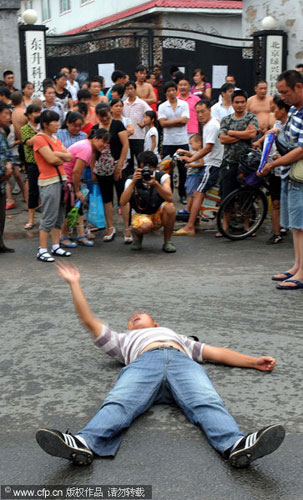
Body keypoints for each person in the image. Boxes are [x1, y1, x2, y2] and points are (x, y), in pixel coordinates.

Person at [36, 261, 285, 468]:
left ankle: (235, 445)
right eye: (130, 320)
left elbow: (216, 353)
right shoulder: (123, 340)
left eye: (140, 315)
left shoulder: (178, 338)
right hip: (143, 363)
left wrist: (254, 361)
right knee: (120, 402)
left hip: (181, 362)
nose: (134, 317)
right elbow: (89, 320)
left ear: (156, 324)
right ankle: (83, 443)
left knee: (207, 401)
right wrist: (75, 284)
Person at [259, 70, 303, 289]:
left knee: (302, 225)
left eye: (285, 92)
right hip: (293, 174)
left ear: (299, 87)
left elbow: (301, 149)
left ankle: (302, 273)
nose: (282, 97)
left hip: (299, 173)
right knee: (297, 225)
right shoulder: (295, 110)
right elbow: (287, 138)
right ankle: (297, 266)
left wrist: (274, 163)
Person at [173, 101, 223, 236]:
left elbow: (207, 148)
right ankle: (194, 221)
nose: (200, 115)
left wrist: (191, 159)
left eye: (203, 111)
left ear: (209, 110)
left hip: (212, 165)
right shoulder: (207, 125)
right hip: (210, 163)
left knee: (198, 193)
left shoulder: (212, 126)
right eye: (198, 112)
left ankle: (190, 226)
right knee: (197, 193)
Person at [60, 128, 111, 248]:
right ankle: (64, 236)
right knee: (70, 209)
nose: (104, 145)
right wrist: (77, 190)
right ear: (95, 138)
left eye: (106, 143)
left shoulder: (88, 147)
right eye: (102, 141)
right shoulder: (86, 148)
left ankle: (81, 235)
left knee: (78, 207)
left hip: (70, 179)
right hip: (67, 179)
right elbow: (76, 172)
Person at [33, 110, 73, 262]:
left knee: (59, 215)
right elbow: (51, 159)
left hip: (61, 180)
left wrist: (57, 155)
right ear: (45, 124)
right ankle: (42, 249)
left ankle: (55, 246)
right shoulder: (39, 139)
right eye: (54, 122)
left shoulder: (54, 139)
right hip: (49, 181)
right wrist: (59, 155)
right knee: (48, 216)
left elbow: (69, 156)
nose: (57, 124)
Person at [218, 90, 258, 237]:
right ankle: (225, 226)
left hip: (246, 163)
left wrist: (232, 133)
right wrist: (242, 134)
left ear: (246, 102)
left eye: (242, 102)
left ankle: (247, 226)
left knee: (247, 194)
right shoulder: (226, 119)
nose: (240, 105)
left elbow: (252, 134)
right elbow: (222, 139)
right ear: (232, 103)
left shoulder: (251, 117)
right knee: (226, 194)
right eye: (237, 102)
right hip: (229, 161)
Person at [120, 150, 176, 253]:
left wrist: (156, 184)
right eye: (143, 167)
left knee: (170, 207)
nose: (147, 171)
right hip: (140, 215)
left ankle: (168, 241)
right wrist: (133, 183)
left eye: (149, 167)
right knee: (145, 226)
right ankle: (137, 237)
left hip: (157, 214)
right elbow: (123, 202)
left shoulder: (162, 176)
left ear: (155, 168)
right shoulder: (132, 179)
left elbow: (170, 197)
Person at [92, 104, 130, 243]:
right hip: (102, 169)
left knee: (123, 198)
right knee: (107, 199)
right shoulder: (95, 129)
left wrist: (119, 166)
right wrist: (93, 171)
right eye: (102, 116)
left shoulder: (118, 124)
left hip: (118, 166)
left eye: (107, 115)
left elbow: (125, 145)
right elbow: (93, 151)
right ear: (97, 116)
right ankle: (110, 227)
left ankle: (127, 228)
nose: (105, 118)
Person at [158, 81, 190, 204]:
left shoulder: (184, 104)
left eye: (173, 90)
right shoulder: (162, 106)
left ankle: (182, 194)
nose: (171, 93)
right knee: (168, 169)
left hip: (182, 140)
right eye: (169, 91)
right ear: (166, 93)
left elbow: (185, 121)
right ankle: (168, 193)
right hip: (168, 142)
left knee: (183, 170)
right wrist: (178, 121)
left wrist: (169, 122)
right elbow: (162, 124)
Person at [21, 104, 41, 230]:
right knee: (33, 191)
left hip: (45, 162)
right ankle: (31, 219)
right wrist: (40, 134)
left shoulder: (43, 127)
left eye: (39, 111)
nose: (38, 114)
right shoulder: (24, 129)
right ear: (28, 115)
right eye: (35, 112)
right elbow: (28, 142)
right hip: (32, 163)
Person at [123, 81, 151, 173]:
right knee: (128, 162)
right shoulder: (123, 104)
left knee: (140, 160)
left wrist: (144, 123)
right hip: (127, 137)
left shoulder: (141, 103)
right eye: (127, 89)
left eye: (131, 88)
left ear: (135, 90)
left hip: (139, 136)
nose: (130, 91)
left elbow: (151, 114)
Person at [174, 133, 203, 216]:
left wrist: (190, 164)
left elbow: (201, 163)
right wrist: (183, 151)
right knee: (189, 192)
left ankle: (188, 209)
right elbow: (191, 154)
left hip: (194, 176)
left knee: (190, 193)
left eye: (191, 143)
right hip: (191, 175)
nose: (190, 145)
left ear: (199, 143)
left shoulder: (200, 153)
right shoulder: (197, 152)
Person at [0, 102, 14, 253]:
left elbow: (7, 153)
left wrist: (9, 164)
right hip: (2, 175)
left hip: (3, 181)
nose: (8, 117)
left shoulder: (3, 133)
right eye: (5, 113)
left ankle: (0, 244)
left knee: (1, 215)